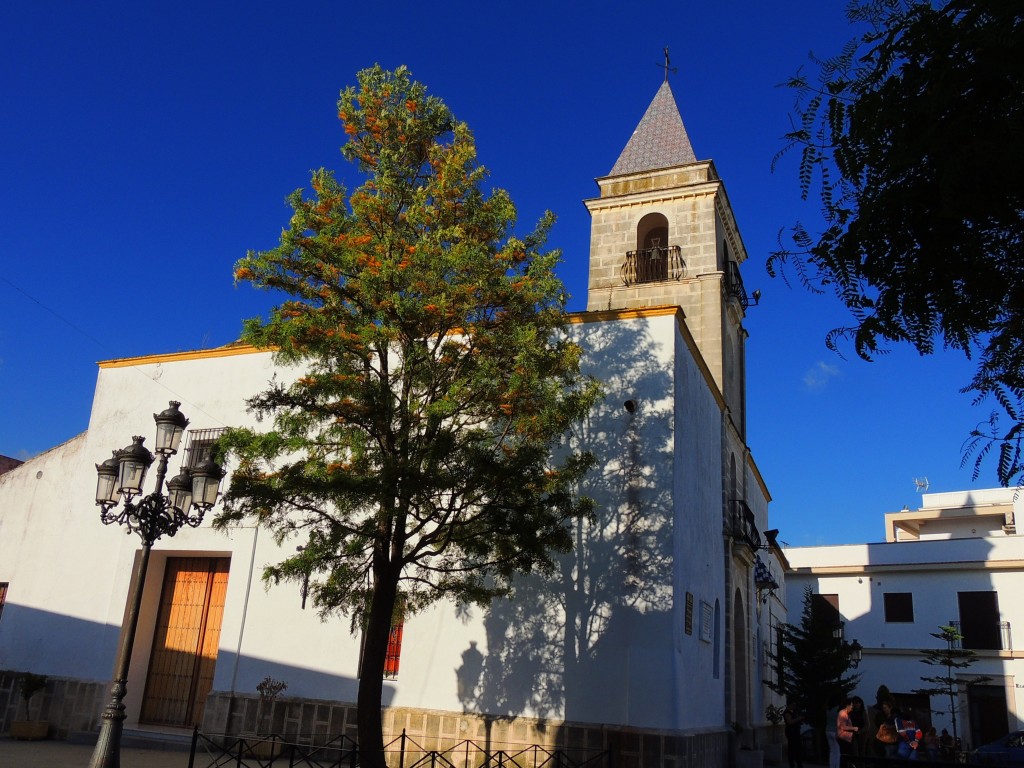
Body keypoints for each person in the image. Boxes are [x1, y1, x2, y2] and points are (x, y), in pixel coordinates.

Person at [837, 698, 859, 766]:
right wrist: (854, 728)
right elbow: (842, 726)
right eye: (851, 705)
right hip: (845, 739)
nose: (852, 706)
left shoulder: (845, 713)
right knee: (846, 755)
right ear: (847, 705)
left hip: (847, 738)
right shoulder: (843, 714)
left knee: (847, 756)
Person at [784, 702, 805, 768]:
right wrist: (799, 718)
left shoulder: (794, 711)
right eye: (793, 705)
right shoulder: (787, 712)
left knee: (798, 748)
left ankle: (799, 764)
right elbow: (790, 722)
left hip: (796, 731)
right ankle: (792, 765)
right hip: (791, 732)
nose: (794, 706)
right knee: (792, 749)